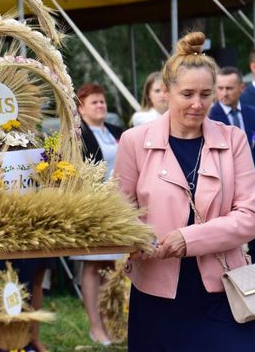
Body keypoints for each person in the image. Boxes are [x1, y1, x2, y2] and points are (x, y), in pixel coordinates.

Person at [115, 31, 255, 351]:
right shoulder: (134, 142)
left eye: (206, 94)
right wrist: (140, 240)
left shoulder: (233, 139)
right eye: (188, 93)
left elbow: (249, 216)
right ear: (166, 92)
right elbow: (119, 211)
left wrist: (187, 239)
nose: (197, 104)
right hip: (155, 292)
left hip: (225, 291)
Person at [72, 83, 123, 346]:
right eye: (94, 102)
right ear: (80, 107)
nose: (101, 106)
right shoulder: (77, 135)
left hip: (116, 206)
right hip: (91, 206)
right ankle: (95, 326)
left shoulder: (116, 131)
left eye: (103, 102)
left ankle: (110, 322)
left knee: (111, 266)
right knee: (93, 264)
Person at [209, 66, 255, 164]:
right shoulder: (209, 118)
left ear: (241, 88)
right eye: (220, 88)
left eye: (229, 88)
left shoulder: (252, 113)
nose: (224, 93)